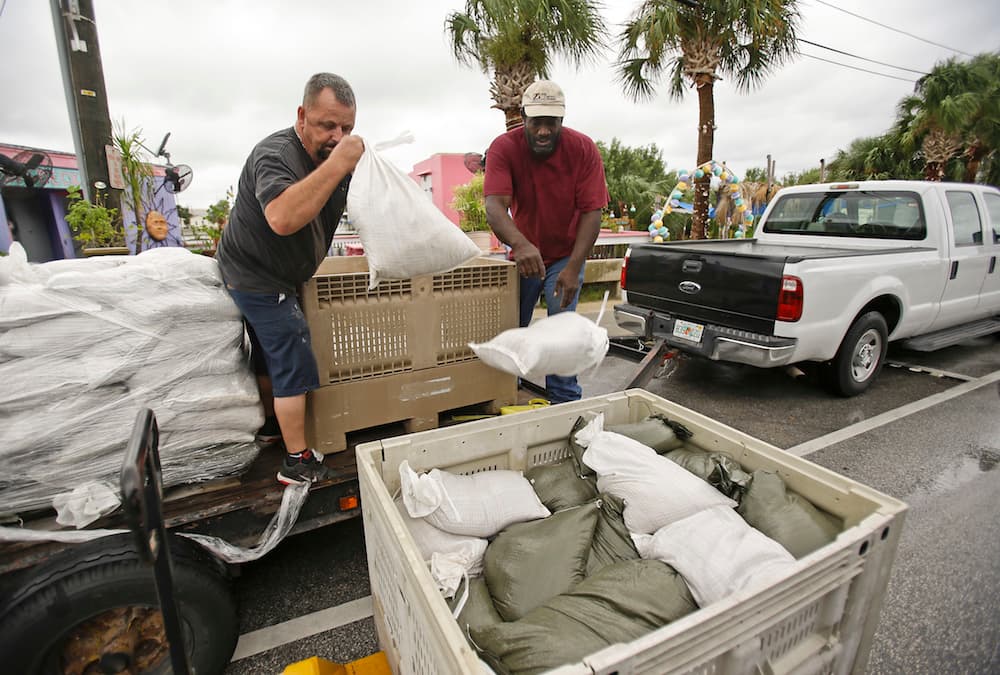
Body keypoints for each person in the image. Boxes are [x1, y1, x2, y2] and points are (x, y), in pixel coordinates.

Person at [216, 72, 364, 485]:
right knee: (292, 355)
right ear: (301, 116)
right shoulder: (276, 154)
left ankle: (270, 427)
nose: (337, 137)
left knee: (267, 355)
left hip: (276, 274)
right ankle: (296, 462)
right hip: (256, 275)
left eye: (346, 128)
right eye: (327, 125)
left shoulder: (328, 157)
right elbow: (282, 217)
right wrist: (339, 163)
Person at [483, 80, 609, 403]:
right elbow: (495, 206)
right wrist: (520, 245)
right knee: (514, 323)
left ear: (561, 120)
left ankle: (564, 400)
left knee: (562, 327)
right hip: (524, 253)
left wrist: (574, 267)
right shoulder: (503, 148)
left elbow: (592, 212)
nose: (543, 131)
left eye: (551, 123)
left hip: (567, 253)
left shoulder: (583, 149)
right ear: (523, 117)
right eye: (536, 122)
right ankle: (504, 392)